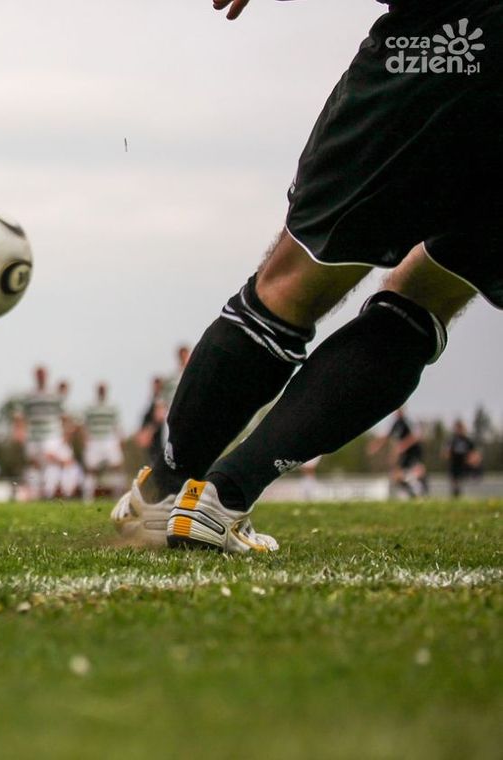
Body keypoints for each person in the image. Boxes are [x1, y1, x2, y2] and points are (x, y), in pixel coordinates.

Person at [114, 0, 501, 552]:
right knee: (429, 296)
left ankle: (166, 492)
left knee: (290, 286)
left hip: (440, 45)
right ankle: (222, 498)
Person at [12, 366, 66, 500]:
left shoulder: (54, 395)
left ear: (46, 376)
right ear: (35, 376)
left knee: (50, 459)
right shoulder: (29, 395)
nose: (41, 377)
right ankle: (35, 493)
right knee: (34, 463)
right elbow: (20, 415)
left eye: (42, 374)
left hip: (51, 434)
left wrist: (64, 433)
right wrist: (19, 430)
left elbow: (63, 414)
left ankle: (49, 492)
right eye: (38, 374)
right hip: (33, 435)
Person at [367, 408, 429, 499]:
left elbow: (416, 436)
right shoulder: (396, 424)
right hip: (404, 455)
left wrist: (404, 445)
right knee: (396, 476)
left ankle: (422, 492)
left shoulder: (408, 422)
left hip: (414, 452)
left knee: (419, 472)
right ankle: (412, 493)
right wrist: (376, 446)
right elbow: (387, 436)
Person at [82, 382, 126, 500]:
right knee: (91, 469)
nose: (101, 391)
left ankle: (118, 496)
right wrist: (85, 440)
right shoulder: (90, 408)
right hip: (94, 440)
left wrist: (120, 439)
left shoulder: (112, 407)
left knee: (117, 466)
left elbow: (117, 425)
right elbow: (85, 426)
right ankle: (87, 498)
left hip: (109, 439)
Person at [443, 419, 481, 497]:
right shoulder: (452, 440)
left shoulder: (468, 440)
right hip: (454, 465)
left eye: (461, 428)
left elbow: (475, 454)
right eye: (458, 428)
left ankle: (474, 477)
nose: (459, 430)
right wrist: (447, 453)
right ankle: (456, 494)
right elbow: (446, 453)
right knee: (455, 485)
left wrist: (472, 461)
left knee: (464, 482)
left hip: (465, 465)